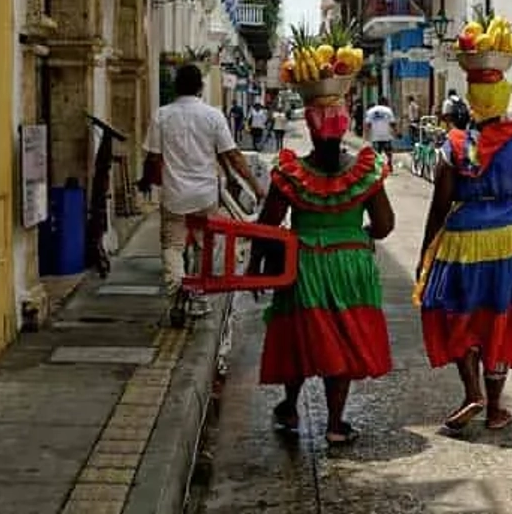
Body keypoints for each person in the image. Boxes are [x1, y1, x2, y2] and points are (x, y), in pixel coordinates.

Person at [415, 19, 512, 432]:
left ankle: (472, 392)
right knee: (501, 317)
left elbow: (438, 204)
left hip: (463, 240)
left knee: (456, 313)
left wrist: (424, 252)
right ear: (502, 98)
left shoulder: (452, 146)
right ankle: (497, 407)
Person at [249, 56, 395, 445]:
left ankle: (291, 407)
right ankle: (334, 423)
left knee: (300, 335)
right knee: (345, 339)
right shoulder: (365, 171)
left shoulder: (290, 174)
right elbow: (384, 226)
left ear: (311, 132)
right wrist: (356, 234)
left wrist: (256, 268)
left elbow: (267, 225)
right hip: (352, 265)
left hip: (304, 265)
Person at [139, 64, 262, 316]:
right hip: (206, 195)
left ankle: (178, 290)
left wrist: (147, 180)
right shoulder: (213, 116)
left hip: (174, 195)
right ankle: (199, 297)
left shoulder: (161, 115)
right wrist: (256, 188)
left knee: (172, 246)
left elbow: (152, 157)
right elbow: (233, 155)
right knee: (203, 246)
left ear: (176, 87)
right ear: (200, 87)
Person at [364, 96, 396, 168]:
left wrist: (366, 135)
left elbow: (368, 124)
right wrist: (396, 132)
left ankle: (377, 166)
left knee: (376, 152)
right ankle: (389, 163)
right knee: (388, 151)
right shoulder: (388, 110)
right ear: (385, 102)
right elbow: (392, 123)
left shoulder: (371, 111)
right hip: (386, 135)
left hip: (375, 135)